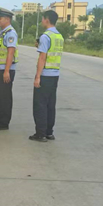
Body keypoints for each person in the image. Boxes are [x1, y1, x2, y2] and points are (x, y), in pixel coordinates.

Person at [30, 10, 64, 142]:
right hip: (55, 74)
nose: (42, 21)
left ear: (47, 20)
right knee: (50, 104)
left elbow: (42, 58)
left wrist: (37, 76)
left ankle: (40, 133)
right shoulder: (59, 36)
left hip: (45, 74)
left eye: (43, 19)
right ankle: (49, 132)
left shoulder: (46, 36)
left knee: (40, 105)